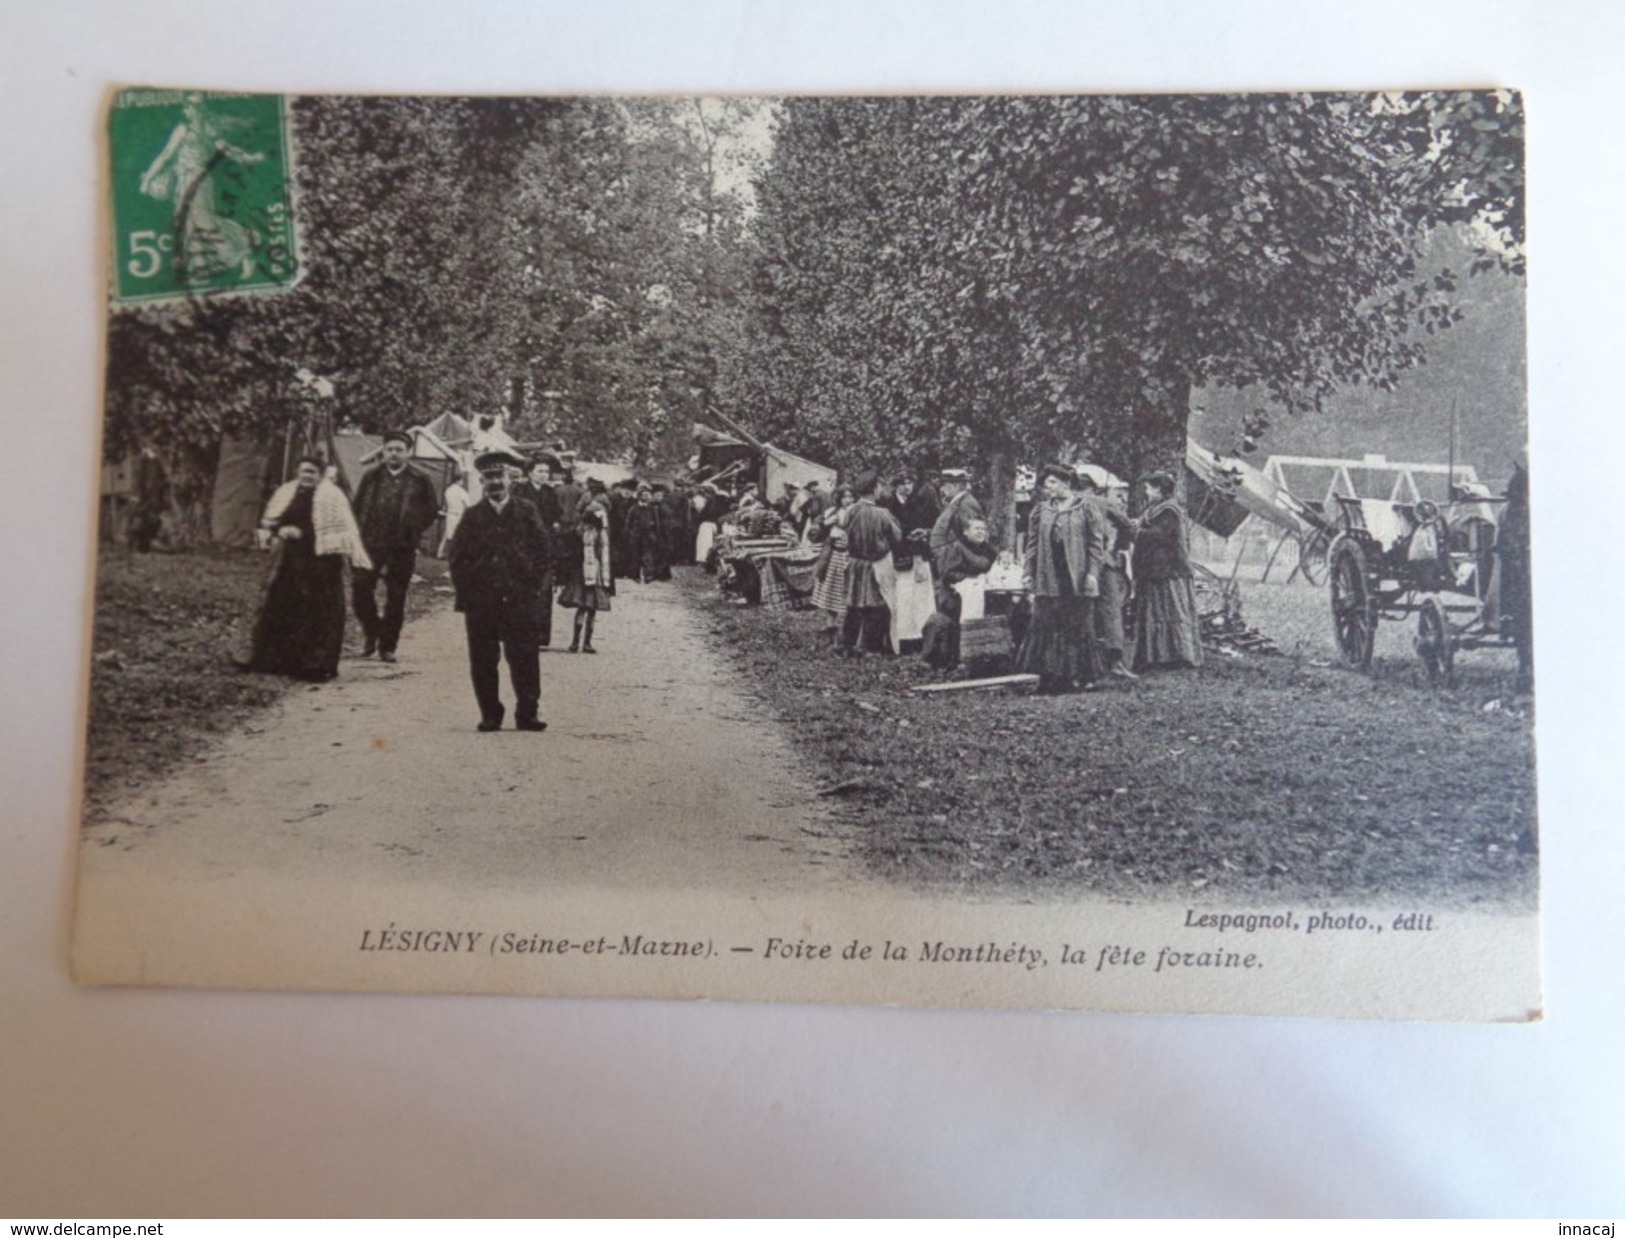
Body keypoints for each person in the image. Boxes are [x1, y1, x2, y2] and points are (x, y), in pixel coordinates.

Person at [237, 456, 371, 682]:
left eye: (311, 472)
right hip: (292, 561)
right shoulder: (288, 492)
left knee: (319, 612)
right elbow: (273, 521)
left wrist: (303, 533)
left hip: (322, 564)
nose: (306, 477)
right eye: (303, 472)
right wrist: (283, 529)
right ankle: (276, 661)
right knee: (283, 607)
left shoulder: (332, 497)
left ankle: (316, 665)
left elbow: (338, 532)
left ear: (320, 475)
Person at [447, 451, 553, 732]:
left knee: (525, 656)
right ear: (482, 481)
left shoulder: (527, 511)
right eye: (489, 477)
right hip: (483, 602)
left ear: (510, 479)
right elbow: (457, 558)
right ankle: (490, 714)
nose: (495, 482)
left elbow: (543, 551)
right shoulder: (472, 516)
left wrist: (532, 585)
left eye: (500, 476)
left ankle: (527, 714)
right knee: (483, 659)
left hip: (520, 599)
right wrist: (469, 592)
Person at [350, 429, 440, 663]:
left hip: (402, 545)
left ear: (408, 453)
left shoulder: (421, 478)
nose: (393, 454)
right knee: (360, 588)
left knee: (396, 596)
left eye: (399, 450)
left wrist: (414, 529)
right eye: (389, 449)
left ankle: (387, 646)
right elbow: (357, 506)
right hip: (370, 542)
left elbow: (432, 509)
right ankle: (372, 631)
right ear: (384, 451)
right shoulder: (371, 476)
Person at [1019, 463, 1108, 693]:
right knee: (1047, 623)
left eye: (1052, 483)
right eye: (1046, 483)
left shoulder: (1086, 508)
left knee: (1078, 625)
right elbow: (1032, 545)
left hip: (1076, 575)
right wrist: (1028, 572)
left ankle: (1082, 676)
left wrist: (1092, 574)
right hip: (1049, 574)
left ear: (1066, 483)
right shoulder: (1041, 510)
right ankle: (1050, 677)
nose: (1048, 488)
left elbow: (1096, 545)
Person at [1131, 471, 1204, 671]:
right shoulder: (1156, 508)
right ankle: (1158, 655)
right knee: (1157, 612)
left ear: (1159, 489)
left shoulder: (1170, 510)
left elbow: (1161, 535)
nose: (1146, 492)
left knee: (1171, 611)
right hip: (1155, 569)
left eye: (1148, 488)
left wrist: (1135, 532)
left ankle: (1177, 655)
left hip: (1170, 571)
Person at [1076, 467, 1138, 681]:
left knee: (1083, 613)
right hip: (1104, 563)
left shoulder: (1064, 505)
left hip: (1076, 567)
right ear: (1094, 487)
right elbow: (1129, 527)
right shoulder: (1103, 503)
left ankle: (1085, 666)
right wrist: (1115, 548)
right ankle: (1115, 662)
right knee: (1111, 613)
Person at [842, 471, 905, 655]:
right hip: (876, 564)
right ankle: (873, 647)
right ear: (873, 489)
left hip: (855, 563)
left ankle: (847, 644)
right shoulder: (882, 514)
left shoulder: (850, 511)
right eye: (879, 487)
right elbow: (897, 537)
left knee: (854, 603)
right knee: (877, 605)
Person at [923, 516, 996, 670]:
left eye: (983, 529)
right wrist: (971, 579)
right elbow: (948, 574)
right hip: (955, 596)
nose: (981, 532)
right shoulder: (956, 548)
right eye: (977, 529)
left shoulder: (989, 550)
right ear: (965, 532)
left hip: (985, 592)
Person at [559, 496, 614, 653]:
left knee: (589, 608)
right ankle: (579, 641)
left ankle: (583, 642)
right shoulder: (581, 533)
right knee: (586, 607)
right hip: (583, 572)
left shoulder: (593, 533)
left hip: (594, 573)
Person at [928, 468, 987, 569]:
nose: (942, 489)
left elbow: (972, 537)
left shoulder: (966, 504)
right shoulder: (957, 502)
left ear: (956, 486)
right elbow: (953, 529)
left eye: (945, 485)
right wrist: (928, 532)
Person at [626, 484, 672, 582]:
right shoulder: (633, 509)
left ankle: (648, 575)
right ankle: (635, 575)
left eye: (648, 495)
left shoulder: (652, 509)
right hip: (636, 535)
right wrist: (630, 534)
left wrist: (655, 534)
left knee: (648, 556)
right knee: (636, 556)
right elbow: (628, 523)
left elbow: (656, 523)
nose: (646, 497)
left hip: (648, 535)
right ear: (639, 496)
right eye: (644, 495)